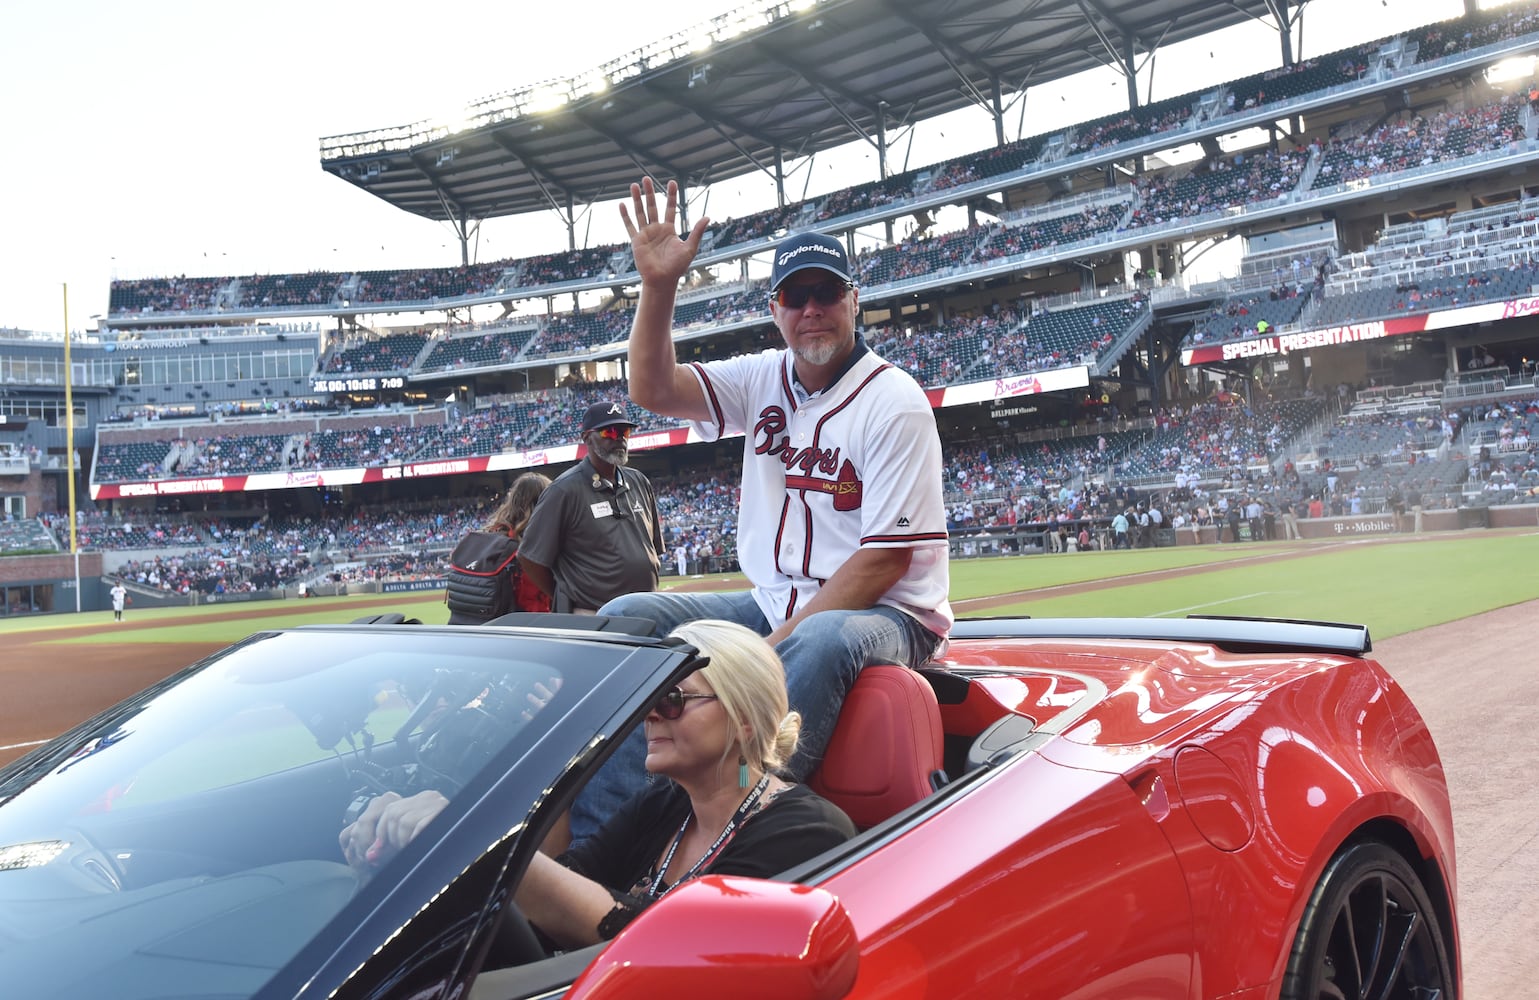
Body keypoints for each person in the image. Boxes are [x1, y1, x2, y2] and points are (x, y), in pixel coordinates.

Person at [577, 177, 951, 845]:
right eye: (794, 296)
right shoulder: (762, 378)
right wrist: (658, 286)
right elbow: (652, 387)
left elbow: (882, 561)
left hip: (888, 617)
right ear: (773, 308)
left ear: (853, 301)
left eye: (826, 292)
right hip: (775, 600)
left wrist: (760, 648)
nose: (812, 309)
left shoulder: (892, 399)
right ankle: (591, 841)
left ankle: (721, 831)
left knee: (821, 639)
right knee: (623, 618)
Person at [339, 620, 856, 949]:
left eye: (671, 699)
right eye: (647, 698)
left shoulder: (807, 831)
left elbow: (676, 951)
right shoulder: (668, 805)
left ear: (743, 720)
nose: (649, 714)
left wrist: (477, 844)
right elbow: (559, 885)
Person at [518, 402, 663, 614]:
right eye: (610, 431)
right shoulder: (564, 490)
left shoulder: (639, 481)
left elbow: (652, 549)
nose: (619, 438)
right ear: (587, 437)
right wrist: (566, 594)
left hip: (646, 608)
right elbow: (529, 558)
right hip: (593, 613)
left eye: (625, 431)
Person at [445, 472, 553, 624]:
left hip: (465, 631)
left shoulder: (487, 538)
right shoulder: (526, 550)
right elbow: (535, 609)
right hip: (511, 637)